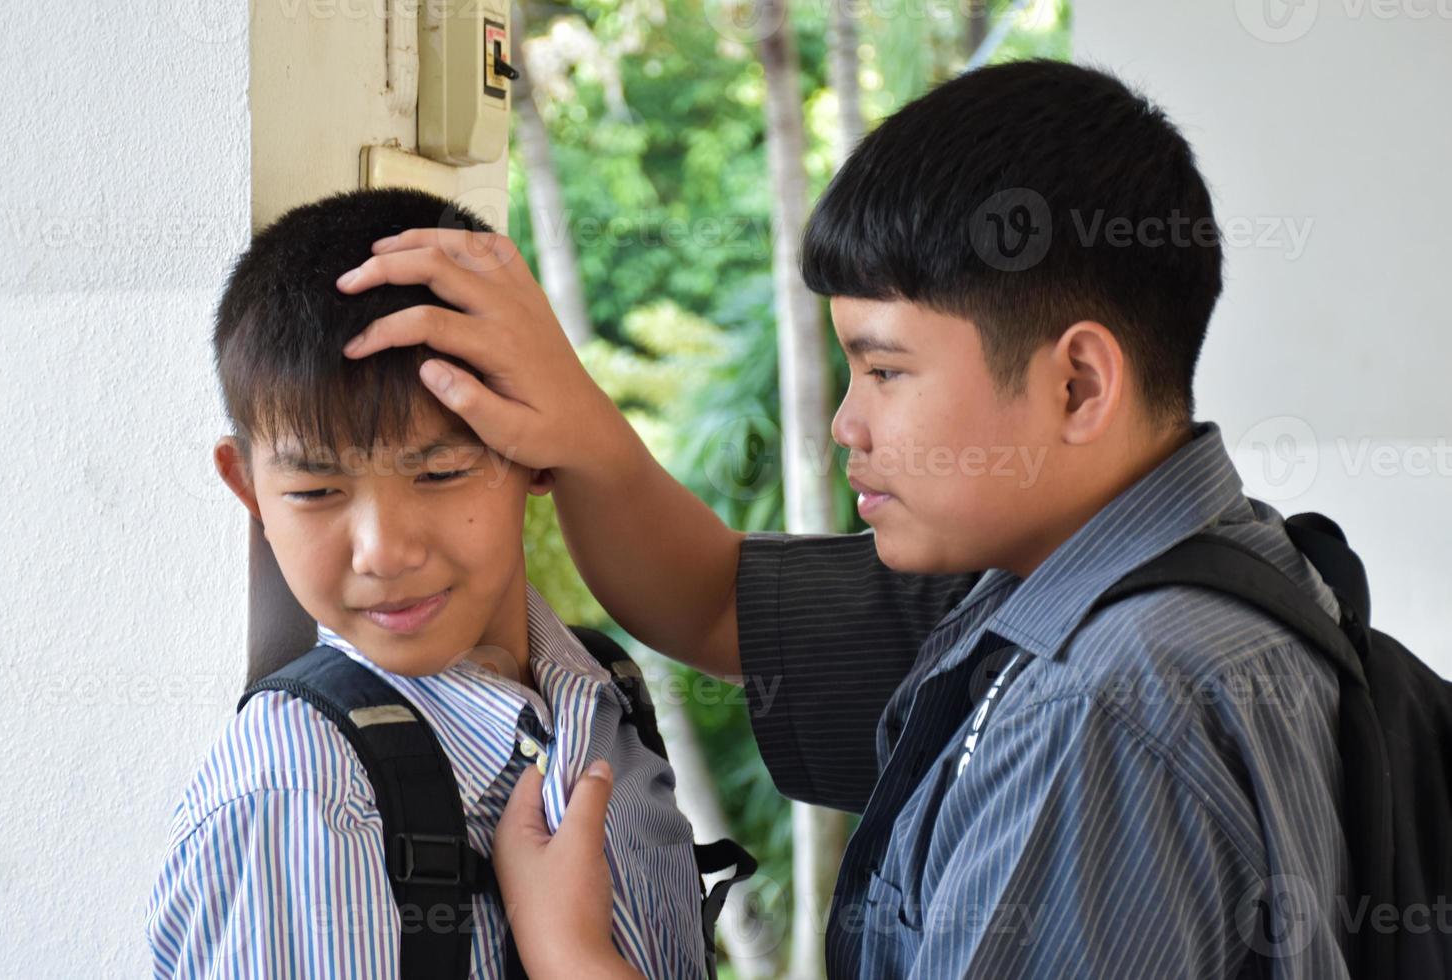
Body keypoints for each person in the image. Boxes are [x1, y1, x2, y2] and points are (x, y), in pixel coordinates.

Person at [335, 60, 1352, 978]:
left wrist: (569, 955)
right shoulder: (1174, 570)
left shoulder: (1101, 700)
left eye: (885, 368)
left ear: (1078, 384)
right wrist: (579, 423)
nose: (843, 421)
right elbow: (715, 601)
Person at [145, 187, 706, 978]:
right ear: (249, 493)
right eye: (314, 492)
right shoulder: (304, 797)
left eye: (440, 471)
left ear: (534, 449)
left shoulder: (602, 700)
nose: (383, 551)